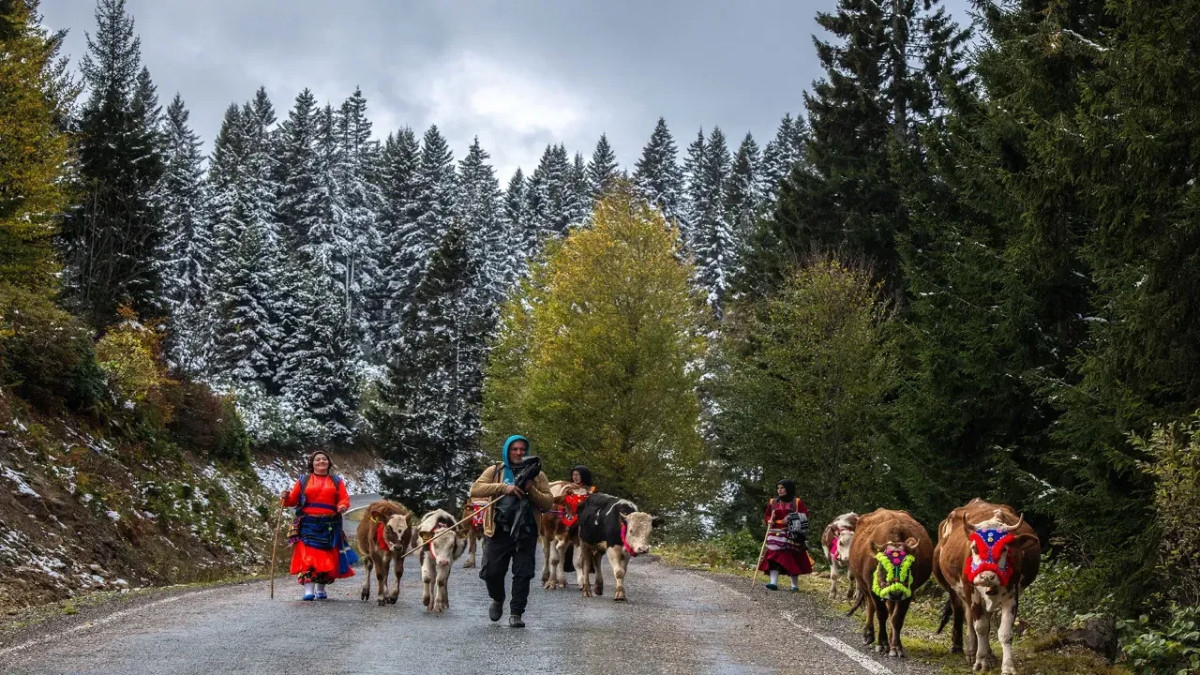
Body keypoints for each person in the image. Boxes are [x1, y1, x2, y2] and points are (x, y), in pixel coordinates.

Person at [470, 435, 552, 627]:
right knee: (491, 572)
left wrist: (531, 490)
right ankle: (497, 598)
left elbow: (548, 503)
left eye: (522, 449)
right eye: (515, 449)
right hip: (499, 530)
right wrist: (503, 488)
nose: (519, 452)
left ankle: (516, 613)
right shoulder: (496, 470)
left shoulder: (537, 475)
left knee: (523, 573)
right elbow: (475, 489)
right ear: (508, 450)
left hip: (526, 530)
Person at [281, 450, 356, 601]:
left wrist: (342, 506)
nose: (321, 461)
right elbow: (291, 501)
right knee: (308, 557)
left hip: (330, 524)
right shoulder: (303, 480)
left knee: (327, 557)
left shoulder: (337, 481)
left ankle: (321, 588)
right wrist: (285, 497)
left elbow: (344, 499)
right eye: (317, 460)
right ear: (312, 464)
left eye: (324, 459)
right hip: (307, 523)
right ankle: (309, 590)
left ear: (329, 463)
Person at [758, 479, 812, 591]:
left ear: (788, 489)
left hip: (792, 534)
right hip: (775, 534)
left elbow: (804, 516)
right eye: (778, 488)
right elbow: (767, 515)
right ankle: (773, 582)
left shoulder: (797, 502)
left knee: (793, 558)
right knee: (773, 556)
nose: (779, 490)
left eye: (782, 488)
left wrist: (790, 519)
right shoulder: (773, 502)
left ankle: (794, 585)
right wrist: (769, 520)